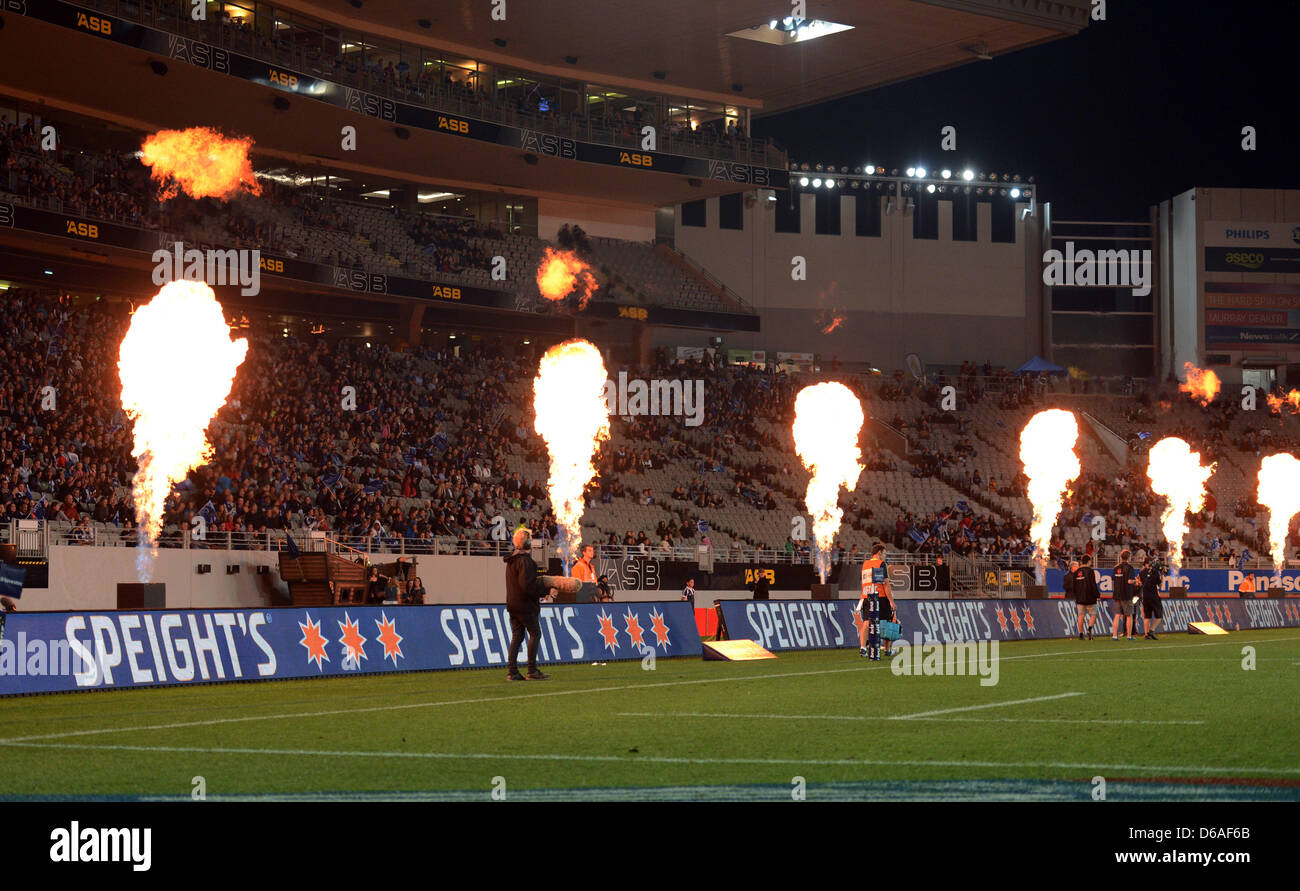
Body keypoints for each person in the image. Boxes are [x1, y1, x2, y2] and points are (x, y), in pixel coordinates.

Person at [504, 527, 548, 681]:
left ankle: (512, 671)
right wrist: (544, 590)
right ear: (528, 543)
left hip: (512, 604)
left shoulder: (511, 560)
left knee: (517, 636)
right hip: (525, 605)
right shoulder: (525, 561)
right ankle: (532, 670)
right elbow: (527, 586)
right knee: (535, 633)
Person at [857, 543, 894, 660]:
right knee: (888, 622)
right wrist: (891, 601)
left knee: (867, 622)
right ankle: (887, 650)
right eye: (884, 553)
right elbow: (885, 584)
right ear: (879, 553)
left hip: (866, 596)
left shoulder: (865, 564)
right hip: (880, 597)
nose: (885, 556)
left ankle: (863, 648)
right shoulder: (881, 564)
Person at [1071, 555, 1101, 640]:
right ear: (1088, 561)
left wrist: (1077, 595)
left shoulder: (1076, 572)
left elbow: (1074, 585)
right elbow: (1093, 584)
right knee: (1093, 614)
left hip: (1080, 598)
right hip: (1090, 597)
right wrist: (1097, 595)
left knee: (1081, 615)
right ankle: (1089, 629)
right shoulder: (1090, 571)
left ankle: (1080, 634)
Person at [1111, 549, 1139, 641]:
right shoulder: (1129, 568)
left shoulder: (1116, 568)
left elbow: (1113, 580)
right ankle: (1129, 636)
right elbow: (1129, 581)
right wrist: (1136, 581)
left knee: (1117, 615)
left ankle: (1114, 636)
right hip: (1126, 595)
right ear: (1129, 557)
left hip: (1117, 594)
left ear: (1121, 557)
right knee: (1129, 615)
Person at [1139, 557, 1163, 640]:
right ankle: (1151, 630)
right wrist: (1162, 575)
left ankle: (1146, 634)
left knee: (1147, 616)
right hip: (1154, 596)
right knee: (1159, 615)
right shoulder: (1155, 573)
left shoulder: (1141, 573)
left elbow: (1140, 582)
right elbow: (1159, 585)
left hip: (1145, 596)